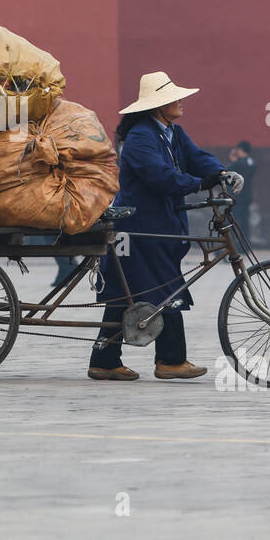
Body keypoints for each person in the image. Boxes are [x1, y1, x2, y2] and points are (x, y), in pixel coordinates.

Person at [87, 71, 239, 382]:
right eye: (174, 98)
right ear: (158, 106)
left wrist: (220, 172)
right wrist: (198, 183)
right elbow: (159, 176)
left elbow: (198, 157)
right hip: (140, 225)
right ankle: (170, 360)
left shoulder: (173, 133)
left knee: (126, 293)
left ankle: (105, 360)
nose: (181, 101)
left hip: (160, 225)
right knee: (166, 288)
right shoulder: (142, 137)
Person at [228, 140, 256, 238]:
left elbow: (227, 173)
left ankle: (231, 245)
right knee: (244, 223)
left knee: (230, 222)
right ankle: (244, 246)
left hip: (237, 197)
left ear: (240, 150)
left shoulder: (238, 163)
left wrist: (233, 161)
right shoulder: (252, 163)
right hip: (246, 197)